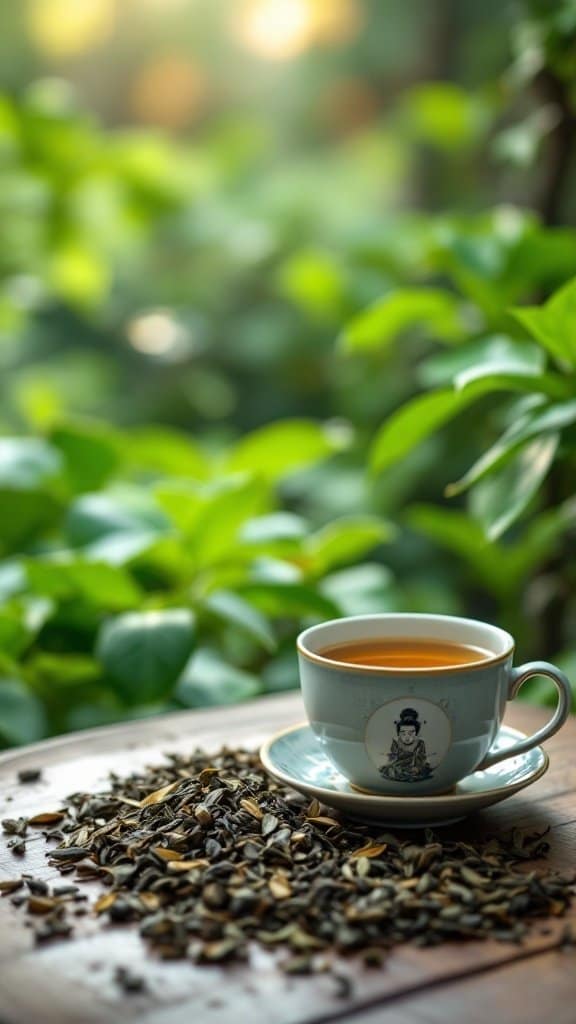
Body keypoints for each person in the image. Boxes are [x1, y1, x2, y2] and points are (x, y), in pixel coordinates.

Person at [380, 707, 433, 782]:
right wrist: (392, 757)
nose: (407, 737)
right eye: (403, 733)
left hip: (414, 765)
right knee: (391, 769)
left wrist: (417, 767)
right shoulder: (396, 742)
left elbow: (421, 757)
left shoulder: (420, 742)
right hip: (399, 764)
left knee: (422, 770)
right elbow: (394, 756)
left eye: (411, 733)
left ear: (416, 733)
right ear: (398, 733)